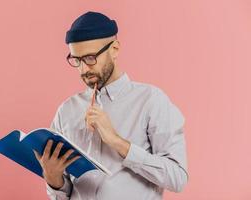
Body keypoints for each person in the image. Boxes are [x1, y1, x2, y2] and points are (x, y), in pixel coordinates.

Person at [34, 11, 189, 200]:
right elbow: (63, 195)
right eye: (77, 60)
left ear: (114, 49)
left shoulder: (151, 100)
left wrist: (116, 141)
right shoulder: (67, 110)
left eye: (90, 58)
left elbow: (177, 178)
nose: (83, 69)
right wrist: (53, 179)